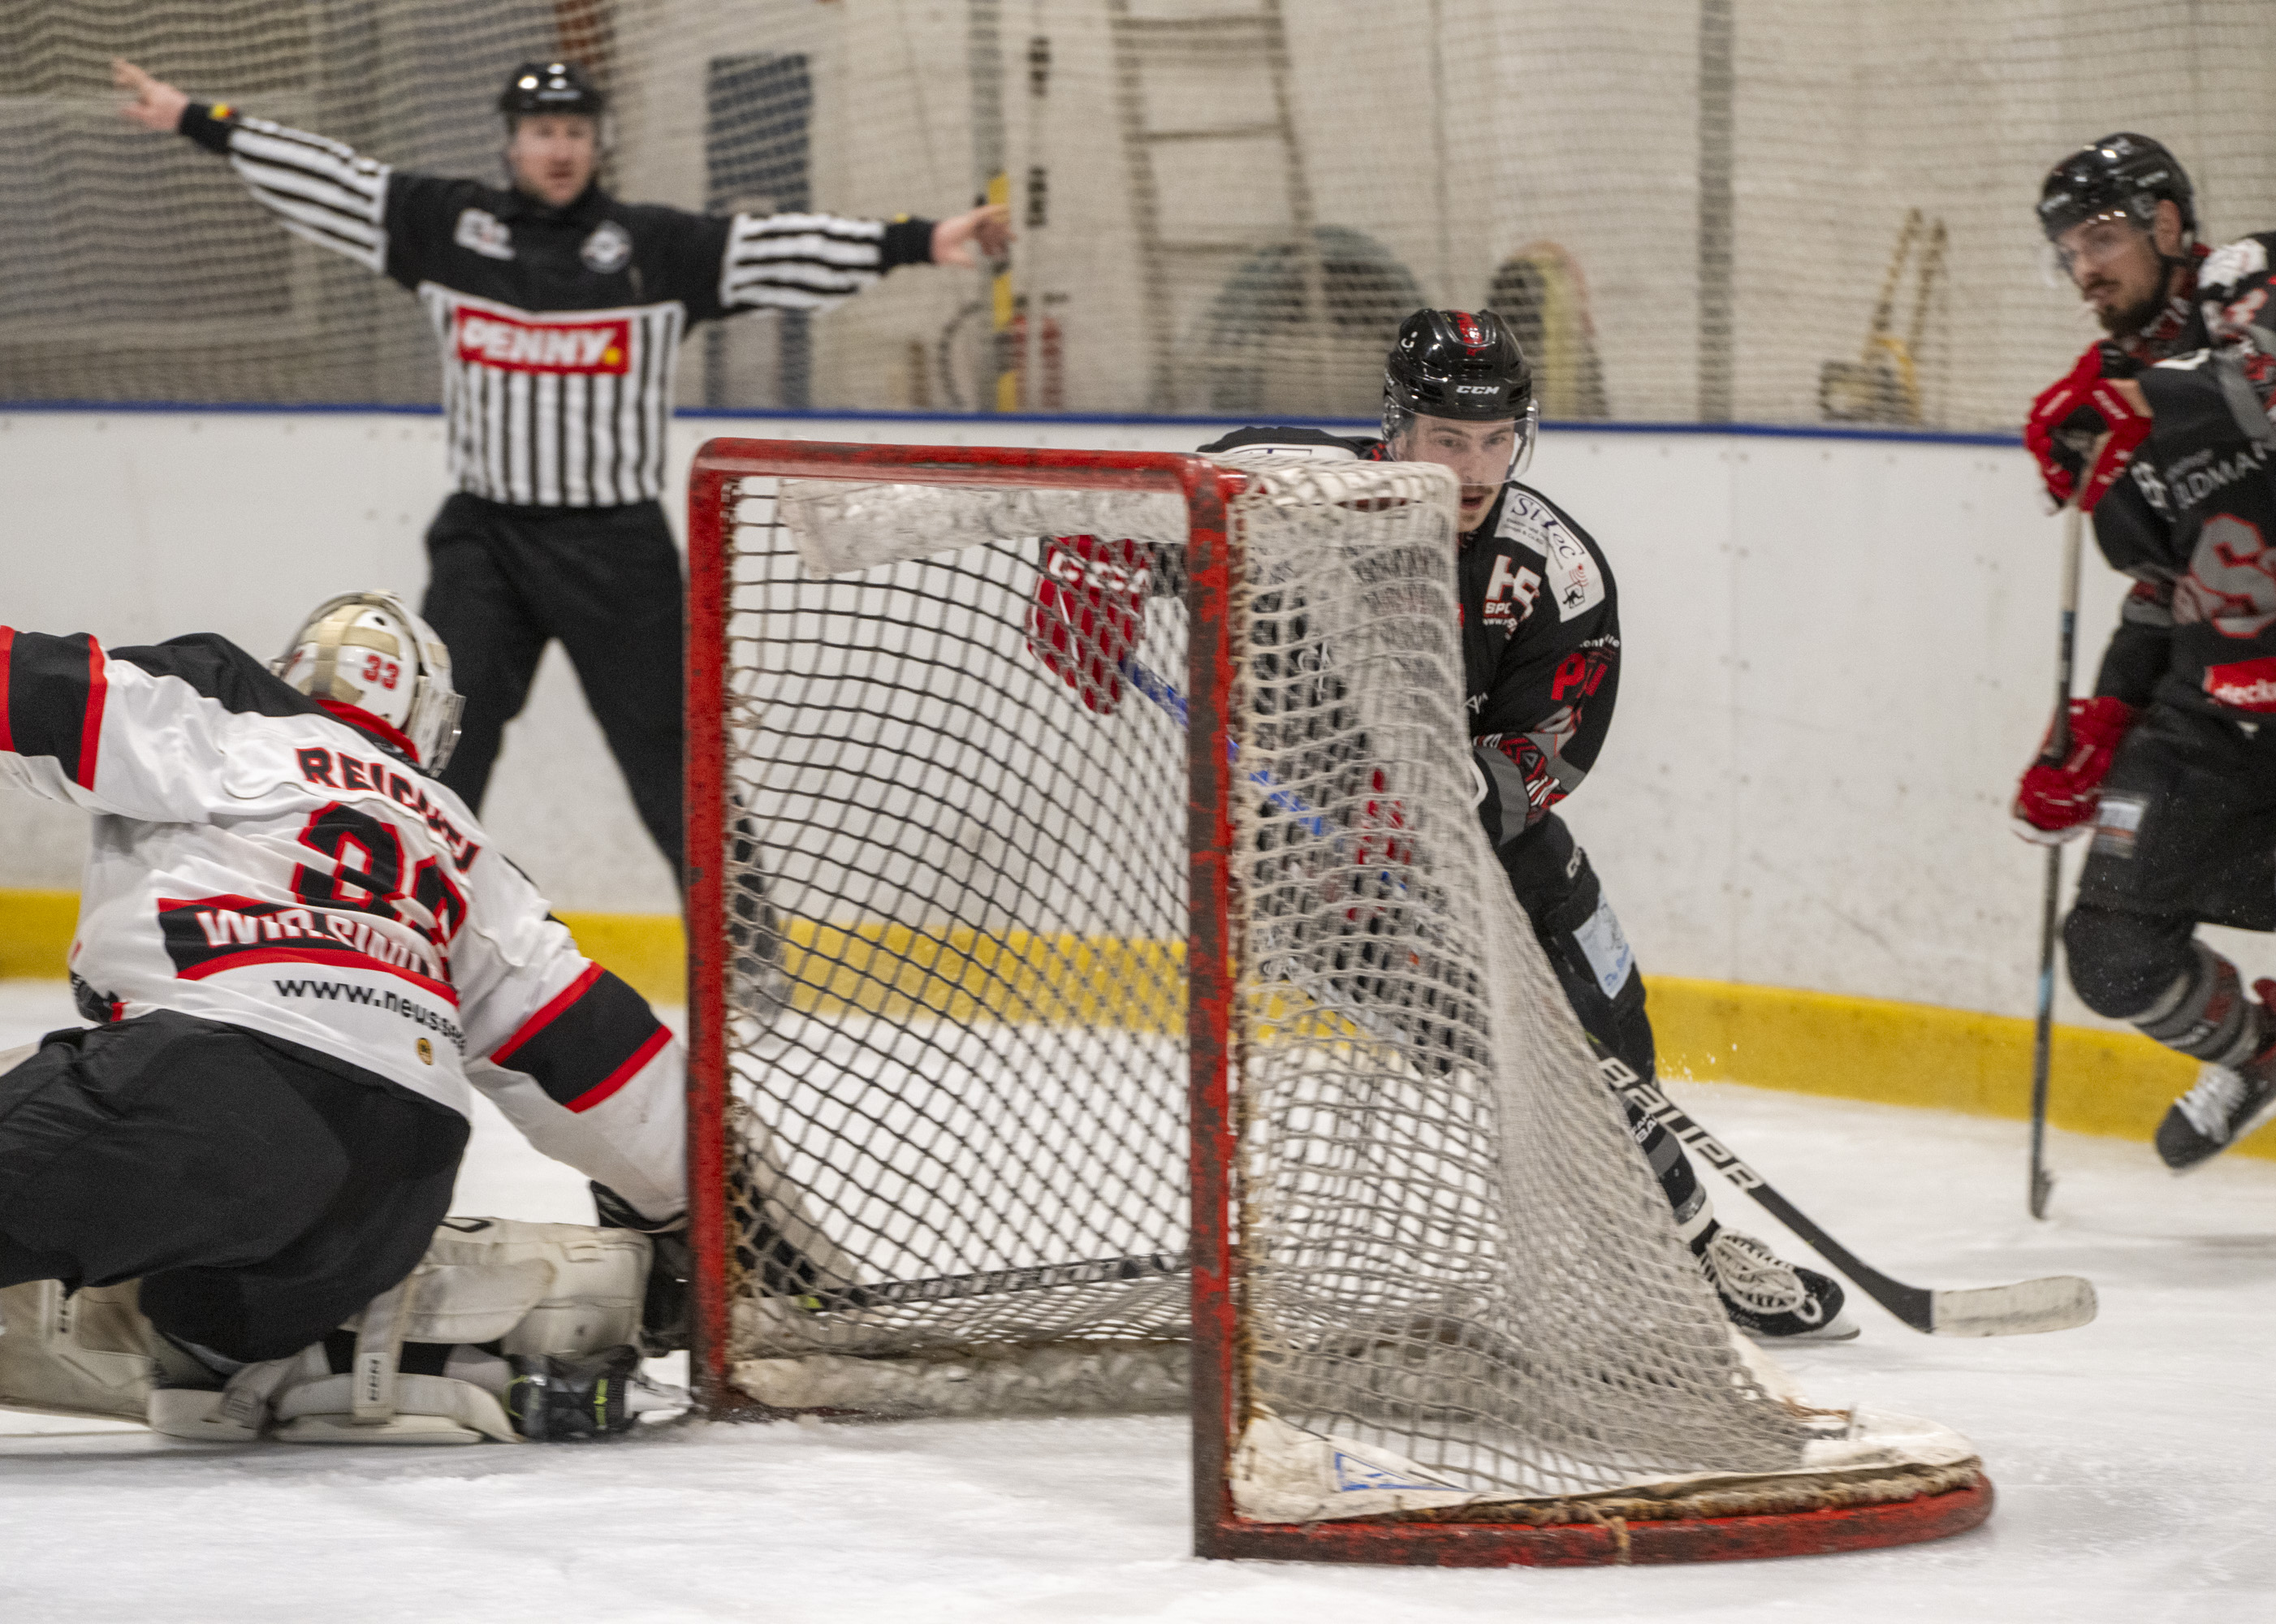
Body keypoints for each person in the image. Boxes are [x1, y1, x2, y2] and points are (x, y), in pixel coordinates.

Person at [112, 56, 1011, 885]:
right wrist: (200, 118)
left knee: (674, 754)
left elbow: (778, 252)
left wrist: (923, 239)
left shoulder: (653, 248)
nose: (559, 149)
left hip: (617, 546)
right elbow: (333, 182)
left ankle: (746, 960)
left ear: (598, 143)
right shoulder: (445, 228)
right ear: (511, 140)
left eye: (577, 132)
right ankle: (404, 921)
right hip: (486, 542)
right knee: (435, 745)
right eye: (543, 132)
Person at [1182, 309, 1853, 1341]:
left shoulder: (1551, 570)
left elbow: (1551, 744)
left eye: (1497, 438)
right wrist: (1093, 567)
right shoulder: (1282, 487)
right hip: (1311, 857)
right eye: (1450, 438)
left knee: (1610, 1016)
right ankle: (1659, 1236)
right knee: (1516, 1046)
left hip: (1472, 834)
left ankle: (1692, 1241)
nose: (1476, 464)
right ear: (1395, 429)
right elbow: (1136, 512)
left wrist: (1456, 796)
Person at [0, 593, 692, 1441]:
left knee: (123, 1121)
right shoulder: (462, 844)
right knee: (200, 1322)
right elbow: (609, 1060)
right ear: (430, 721)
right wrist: (711, 1229)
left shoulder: (225, 712)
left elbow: (24, 684)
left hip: (209, 1089)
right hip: (395, 1183)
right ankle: (308, 1351)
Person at [2017, 132, 2276, 1170]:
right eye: (2068, 251)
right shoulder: (2102, 391)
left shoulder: (2266, 275)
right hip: (2224, 708)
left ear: (2168, 223)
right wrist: (2107, 718)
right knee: (2109, 951)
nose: (2087, 269)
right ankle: (2257, 1054)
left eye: (2103, 237)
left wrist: (2133, 406)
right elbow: (2165, 589)